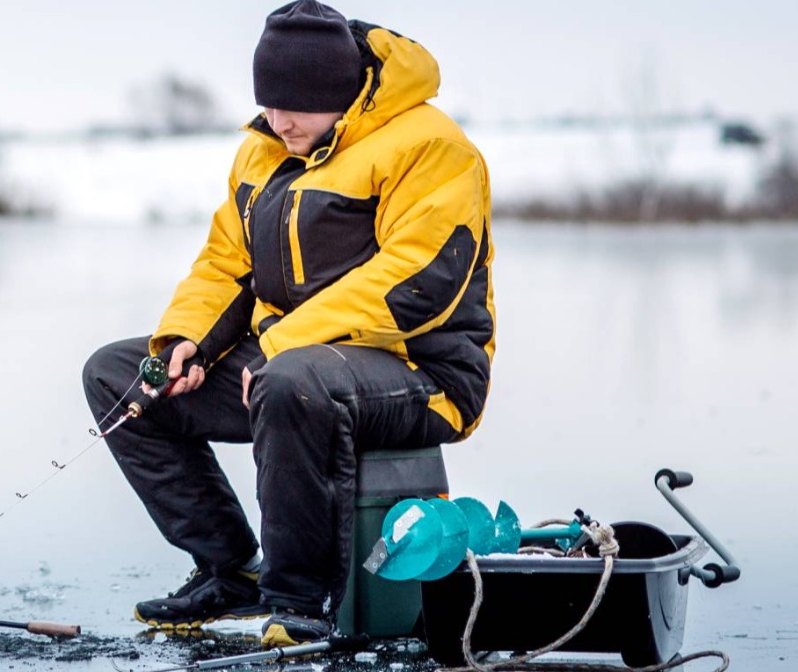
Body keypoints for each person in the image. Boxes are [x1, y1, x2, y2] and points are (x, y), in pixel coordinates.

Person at [80, 0, 494, 649]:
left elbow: (418, 281)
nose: (279, 120)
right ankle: (229, 568)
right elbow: (227, 263)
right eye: (269, 103)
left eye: (295, 105)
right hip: (289, 367)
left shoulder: (431, 146)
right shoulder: (263, 149)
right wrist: (189, 342)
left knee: (293, 378)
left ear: (342, 94)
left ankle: (297, 598)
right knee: (118, 375)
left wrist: (278, 346)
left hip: (423, 373)